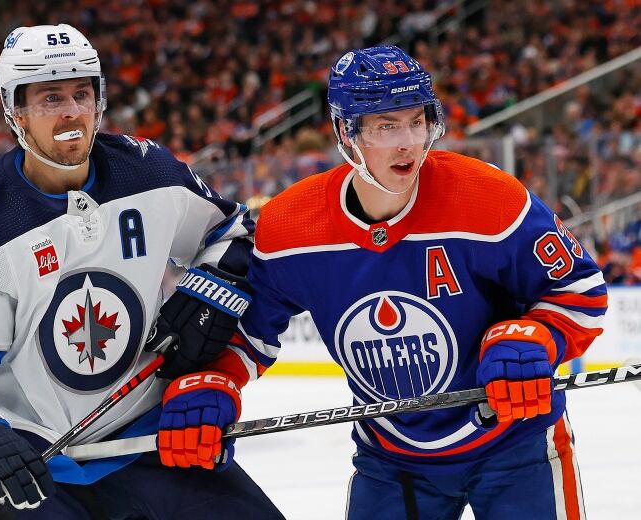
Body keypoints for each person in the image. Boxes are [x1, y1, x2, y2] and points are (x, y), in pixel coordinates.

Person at [0, 24, 283, 519]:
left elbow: (235, 236)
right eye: (50, 97)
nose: (72, 111)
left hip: (153, 439)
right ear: (16, 111)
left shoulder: (150, 173)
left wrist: (211, 287)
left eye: (82, 93)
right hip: (41, 464)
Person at [234, 46, 607, 519]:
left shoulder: (489, 198)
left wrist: (537, 337)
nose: (408, 142)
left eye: (417, 121)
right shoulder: (291, 226)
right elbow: (248, 331)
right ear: (345, 133)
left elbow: (580, 290)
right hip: (392, 459)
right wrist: (216, 382)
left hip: (516, 442)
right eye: (386, 126)